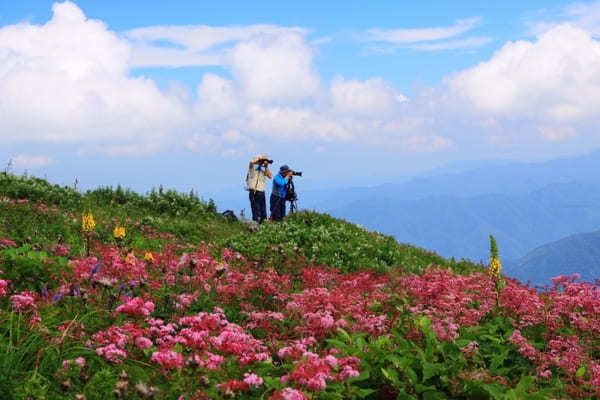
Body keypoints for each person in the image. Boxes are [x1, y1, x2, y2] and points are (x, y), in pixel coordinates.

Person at [246, 154, 273, 223]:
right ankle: (256, 226)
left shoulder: (262, 170)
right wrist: (260, 158)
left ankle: (263, 226)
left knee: (263, 212)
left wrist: (266, 167)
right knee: (256, 212)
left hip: (261, 192)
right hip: (254, 192)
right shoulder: (252, 169)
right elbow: (251, 162)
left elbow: (270, 176)